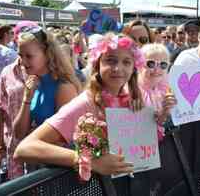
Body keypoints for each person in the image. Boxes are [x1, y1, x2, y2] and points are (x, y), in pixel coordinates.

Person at [14, 33, 148, 176]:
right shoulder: (85, 103)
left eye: (126, 62)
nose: (117, 68)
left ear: (134, 67)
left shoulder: (131, 100)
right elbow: (24, 149)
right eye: (110, 60)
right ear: (97, 65)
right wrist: (89, 161)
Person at [0, 25, 80, 180]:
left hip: (57, 172)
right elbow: (19, 133)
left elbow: (64, 140)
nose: (22, 61)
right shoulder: (35, 82)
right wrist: (27, 98)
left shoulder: (63, 87)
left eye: (29, 56)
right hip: (40, 167)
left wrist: (31, 144)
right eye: (20, 55)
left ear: (47, 54)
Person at [138, 43, 177, 140]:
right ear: (139, 64)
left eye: (163, 65)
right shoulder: (131, 90)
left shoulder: (170, 90)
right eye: (151, 64)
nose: (157, 69)